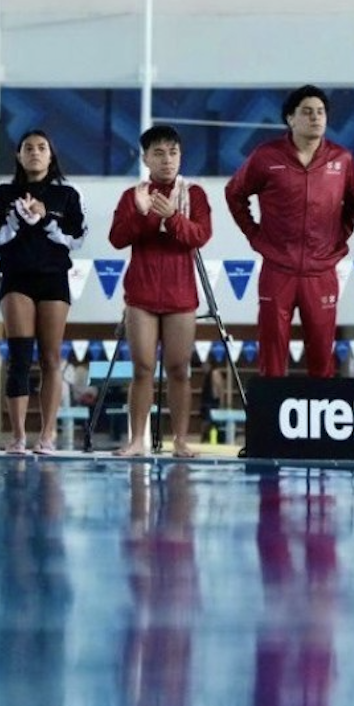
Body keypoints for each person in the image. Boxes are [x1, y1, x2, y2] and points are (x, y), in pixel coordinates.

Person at [225, 85, 354, 378]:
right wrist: (255, 235)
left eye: (321, 112)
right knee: (272, 352)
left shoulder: (342, 159)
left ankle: (322, 417)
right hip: (278, 269)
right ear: (290, 119)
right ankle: (273, 419)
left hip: (321, 272)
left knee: (322, 357)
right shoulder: (266, 156)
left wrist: (336, 241)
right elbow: (234, 194)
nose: (316, 118)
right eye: (307, 112)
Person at [108, 124, 212, 457]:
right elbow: (117, 238)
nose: (167, 160)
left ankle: (180, 440)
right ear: (145, 158)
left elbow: (199, 236)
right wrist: (145, 214)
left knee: (180, 369)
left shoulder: (193, 194)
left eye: (173, 152)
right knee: (141, 369)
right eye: (159, 153)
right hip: (141, 294)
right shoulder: (133, 196)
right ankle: (137, 439)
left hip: (181, 296)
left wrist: (173, 218)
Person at [0, 129, 87, 454]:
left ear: (51, 155)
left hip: (54, 278)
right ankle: (17, 435)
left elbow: (78, 239)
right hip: (16, 278)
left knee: (52, 358)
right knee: (20, 358)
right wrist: (15, 219)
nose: (35, 153)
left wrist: (44, 219)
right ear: (19, 155)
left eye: (42, 147)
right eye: (28, 148)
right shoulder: (1, 194)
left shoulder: (67, 196)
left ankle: (48, 434)